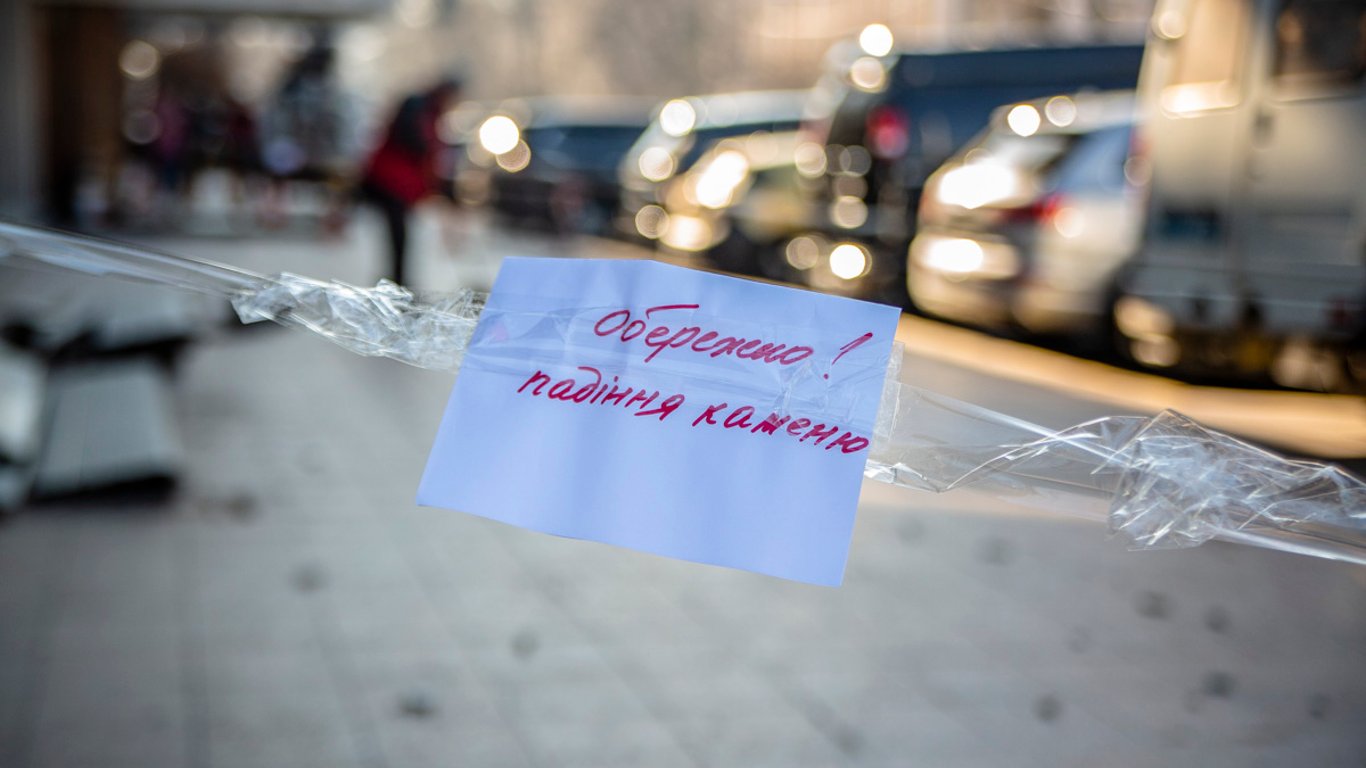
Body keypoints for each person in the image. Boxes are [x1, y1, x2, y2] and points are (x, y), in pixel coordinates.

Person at [359, 78, 460, 287]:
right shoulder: (417, 106)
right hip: (390, 179)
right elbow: (412, 140)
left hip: (400, 182)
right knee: (397, 233)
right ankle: (397, 282)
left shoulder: (430, 111)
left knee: (400, 233)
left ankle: (398, 280)